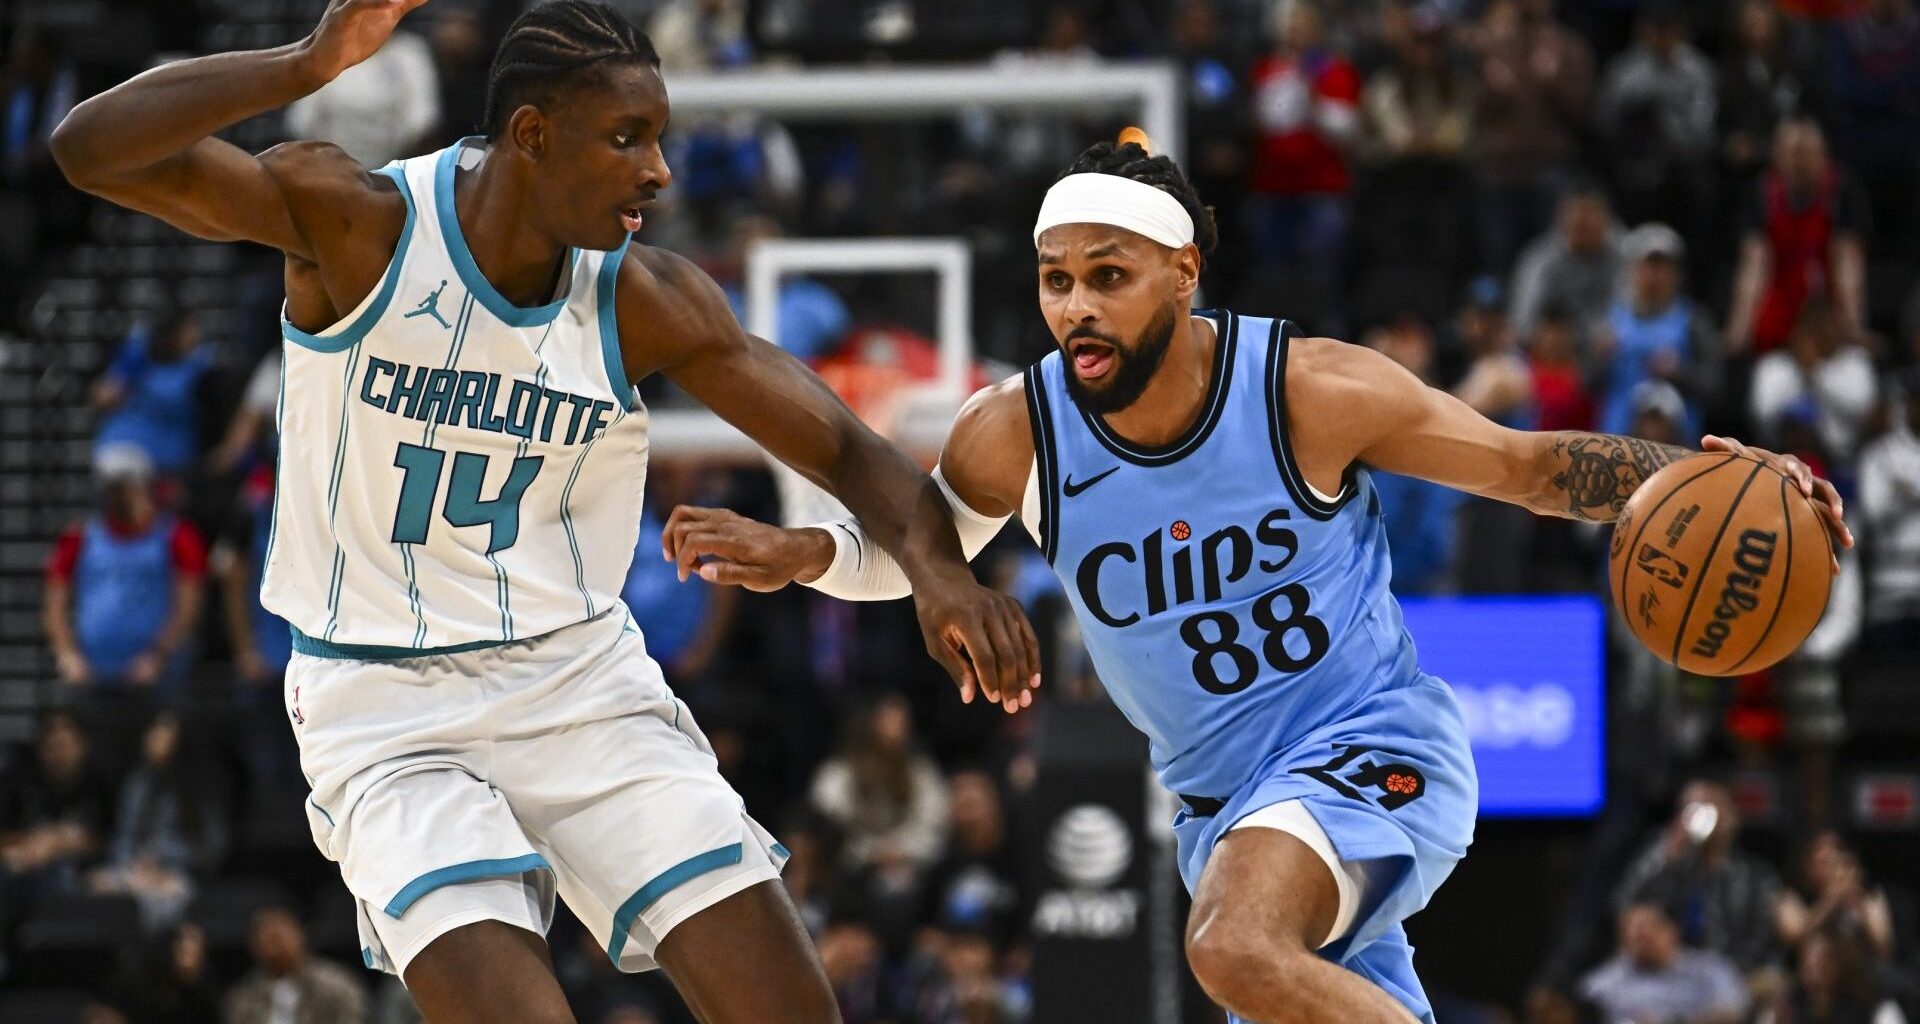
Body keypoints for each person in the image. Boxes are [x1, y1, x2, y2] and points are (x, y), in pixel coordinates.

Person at [660, 130, 1852, 1023]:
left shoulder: (1309, 391)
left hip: (1371, 744)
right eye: (1054, 277)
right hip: (1223, 812)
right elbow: (929, 565)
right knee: (1258, 951)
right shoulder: (1010, 432)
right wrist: (805, 554)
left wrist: (1698, 474)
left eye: (1108, 275)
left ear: (1183, 273)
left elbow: (1532, 465)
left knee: (1229, 945)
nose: (1075, 307)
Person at [50, 3, 1037, 1021]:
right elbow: (89, 149)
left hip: (576, 677)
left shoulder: (643, 297)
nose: (658, 171)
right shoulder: (358, 224)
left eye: (659, 139)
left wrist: (943, 577)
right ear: (531, 135)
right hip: (381, 702)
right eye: (627, 138)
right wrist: (307, 62)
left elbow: (842, 445)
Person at [43, 445, 207, 688]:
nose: (116, 497)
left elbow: (190, 604)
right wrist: (67, 654)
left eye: (122, 488)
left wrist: (158, 655)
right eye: (110, 489)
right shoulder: (78, 538)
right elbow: (54, 603)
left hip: (157, 674)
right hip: (89, 673)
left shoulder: (178, 537)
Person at [1616, 779, 1788, 975]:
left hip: (1733, 978)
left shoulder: (1755, 877)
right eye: (1694, 809)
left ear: (1733, 817)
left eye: (1714, 808)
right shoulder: (1665, 866)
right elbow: (1625, 903)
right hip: (1666, 974)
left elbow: (1761, 938)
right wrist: (1665, 856)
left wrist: (1733, 977)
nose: (1706, 818)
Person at [1579, 902, 1749, 1024]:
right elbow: (1581, 1007)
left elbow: (1733, 1012)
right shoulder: (1604, 981)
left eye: (1649, 933)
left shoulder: (1710, 968)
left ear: (1671, 931)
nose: (1642, 941)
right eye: (1635, 936)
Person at [224, 906, 369, 1024]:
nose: (275, 949)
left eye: (279, 938)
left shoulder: (337, 986)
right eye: (267, 940)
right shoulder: (244, 996)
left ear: (300, 935)